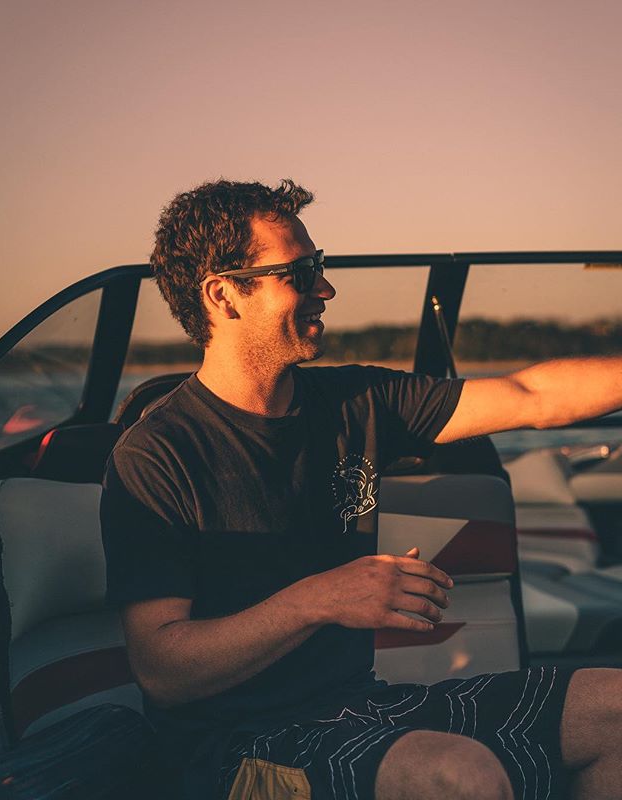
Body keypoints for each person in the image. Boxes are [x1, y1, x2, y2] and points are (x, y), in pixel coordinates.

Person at [100, 179, 622, 800]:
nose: (325, 288)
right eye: (300, 272)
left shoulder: (356, 400)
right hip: (231, 745)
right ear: (223, 294)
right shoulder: (156, 455)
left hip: (363, 707)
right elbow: (162, 671)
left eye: (320, 266)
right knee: (459, 774)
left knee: (614, 706)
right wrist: (320, 598)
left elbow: (531, 397)